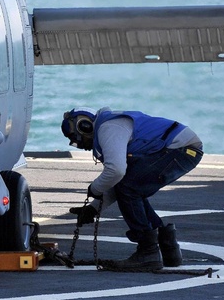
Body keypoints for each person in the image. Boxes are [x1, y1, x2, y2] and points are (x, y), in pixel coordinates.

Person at [61, 107, 203, 270]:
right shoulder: (111, 126)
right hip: (181, 148)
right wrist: (93, 209)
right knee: (132, 188)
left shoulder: (109, 128)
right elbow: (120, 179)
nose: (78, 144)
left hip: (179, 149)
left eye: (75, 137)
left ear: (84, 126)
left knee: (130, 189)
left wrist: (95, 188)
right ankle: (169, 251)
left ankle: (147, 252)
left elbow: (116, 171)